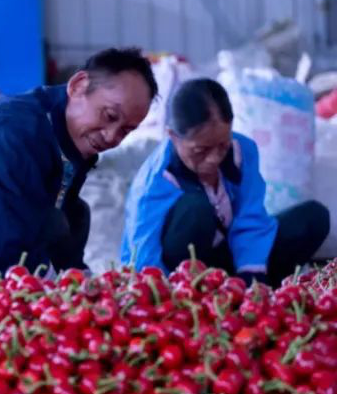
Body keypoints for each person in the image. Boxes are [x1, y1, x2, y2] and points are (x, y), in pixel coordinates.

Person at [0, 47, 157, 291]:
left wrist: (81, 280)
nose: (112, 137)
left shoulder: (67, 143)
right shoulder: (8, 129)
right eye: (110, 116)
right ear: (78, 85)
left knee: (74, 215)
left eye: (126, 130)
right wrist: (56, 289)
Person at [122, 78, 329, 282]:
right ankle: (198, 290)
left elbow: (250, 217)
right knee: (196, 209)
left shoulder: (243, 150)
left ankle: (249, 286)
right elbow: (143, 254)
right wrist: (161, 292)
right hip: (180, 273)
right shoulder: (154, 180)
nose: (214, 158)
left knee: (312, 218)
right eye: (200, 150)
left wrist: (251, 278)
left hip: (228, 258)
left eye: (223, 145)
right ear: (173, 136)